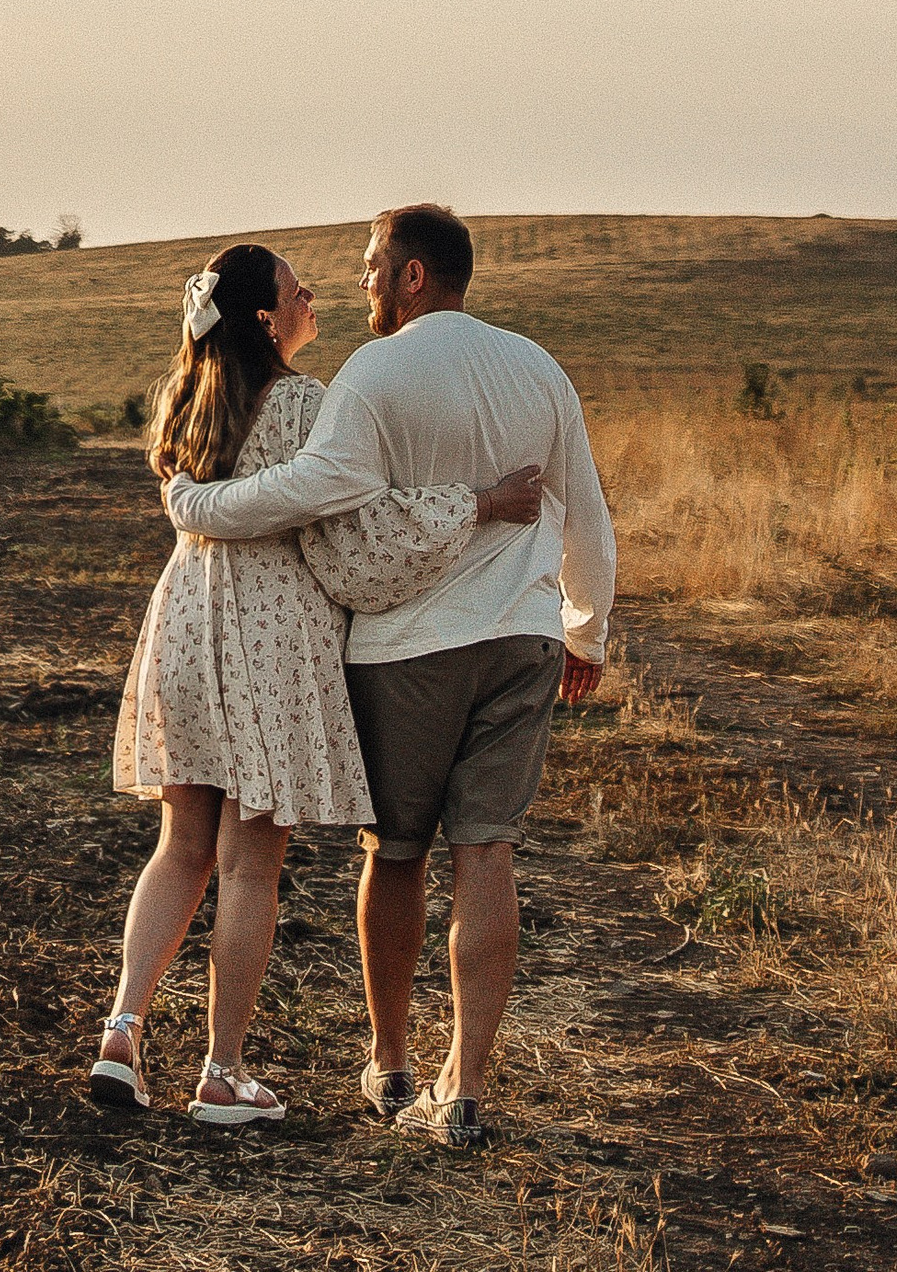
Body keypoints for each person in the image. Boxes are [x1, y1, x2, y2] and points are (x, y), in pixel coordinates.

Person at [163, 205, 617, 1149]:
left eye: (372, 267)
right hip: (522, 639)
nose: (360, 283)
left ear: (413, 276)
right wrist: (586, 630)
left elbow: (315, 488)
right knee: (487, 852)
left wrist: (200, 504)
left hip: (406, 647)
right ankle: (470, 1087)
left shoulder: (375, 371)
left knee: (398, 852)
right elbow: (587, 512)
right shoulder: (538, 366)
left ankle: (393, 1061)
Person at [92, 241, 544, 1128]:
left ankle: (122, 1031)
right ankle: (221, 1074)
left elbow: (204, 499)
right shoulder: (307, 405)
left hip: (184, 619)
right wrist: (478, 503)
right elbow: (359, 524)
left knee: (180, 844)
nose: (316, 298)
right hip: (271, 637)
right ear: (268, 319)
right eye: (300, 291)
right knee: (250, 863)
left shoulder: (186, 400)